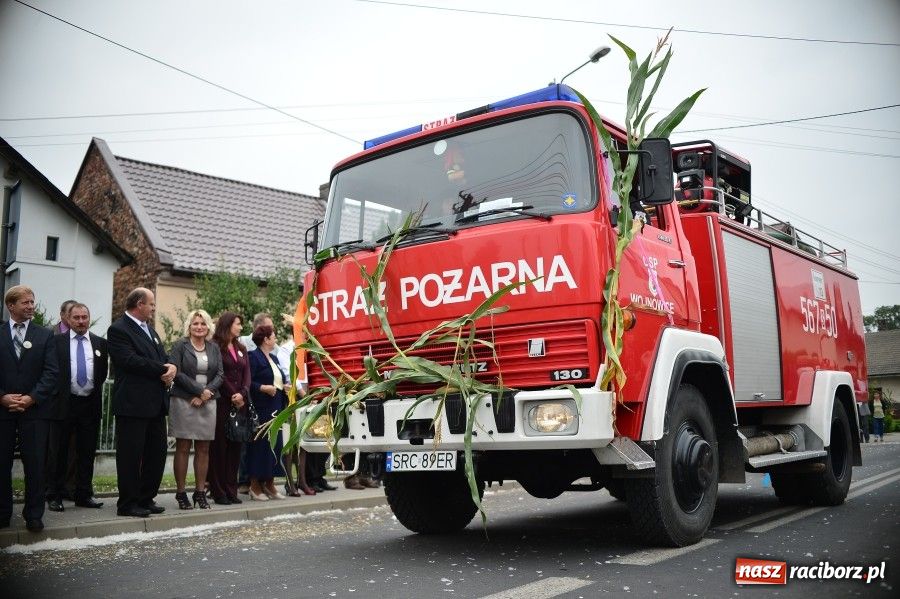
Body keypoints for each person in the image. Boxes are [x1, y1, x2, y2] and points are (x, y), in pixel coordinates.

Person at [107, 287, 176, 518]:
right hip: (132, 404)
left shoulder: (150, 331)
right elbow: (129, 360)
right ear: (139, 304)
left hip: (155, 405)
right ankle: (127, 503)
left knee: (156, 454)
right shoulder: (118, 330)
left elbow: (162, 357)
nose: (154, 308)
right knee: (130, 456)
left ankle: (146, 498)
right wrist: (162, 369)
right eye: (151, 304)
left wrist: (171, 367)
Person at [0, 285, 59, 532]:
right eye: (25, 302)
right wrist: (2, 398)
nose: (31, 306)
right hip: (2, 412)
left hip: (35, 413)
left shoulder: (44, 336)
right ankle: (3, 513)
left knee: (35, 464)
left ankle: (34, 515)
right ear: (10, 305)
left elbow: (52, 373)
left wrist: (32, 398)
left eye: (32, 302)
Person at [46, 303, 108, 511]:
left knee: (86, 452)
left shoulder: (100, 343)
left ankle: (83, 494)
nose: (81, 321)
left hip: (89, 404)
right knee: (59, 452)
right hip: (64, 403)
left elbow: (102, 374)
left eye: (84, 317)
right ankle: (54, 495)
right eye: (77, 318)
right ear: (68, 320)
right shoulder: (56, 342)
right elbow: (51, 372)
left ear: (89, 318)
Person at [168, 309, 223, 510]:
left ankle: (200, 493)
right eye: (195, 324)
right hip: (185, 400)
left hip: (208, 401)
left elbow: (220, 374)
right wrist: (198, 392)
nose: (199, 327)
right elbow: (177, 372)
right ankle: (181, 493)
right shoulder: (180, 346)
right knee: (182, 447)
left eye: (202, 323)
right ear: (189, 327)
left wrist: (207, 392)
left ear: (208, 326)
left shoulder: (214, 347)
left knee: (204, 448)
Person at [208, 311, 249, 505]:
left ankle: (232, 490)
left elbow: (247, 373)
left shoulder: (241, 347)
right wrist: (234, 394)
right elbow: (219, 373)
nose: (241, 327)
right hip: (222, 402)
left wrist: (243, 393)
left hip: (240, 403)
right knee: (219, 448)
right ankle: (218, 490)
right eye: (238, 324)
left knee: (235, 447)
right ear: (227, 325)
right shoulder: (215, 346)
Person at [247, 325, 287, 500]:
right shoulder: (253, 357)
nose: (275, 339)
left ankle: (269, 482)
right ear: (266, 339)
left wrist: (284, 387)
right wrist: (263, 388)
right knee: (260, 446)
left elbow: (278, 379)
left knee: (275, 445)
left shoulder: (274, 358)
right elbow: (249, 382)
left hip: (276, 406)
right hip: (262, 407)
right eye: (274, 336)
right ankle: (255, 485)